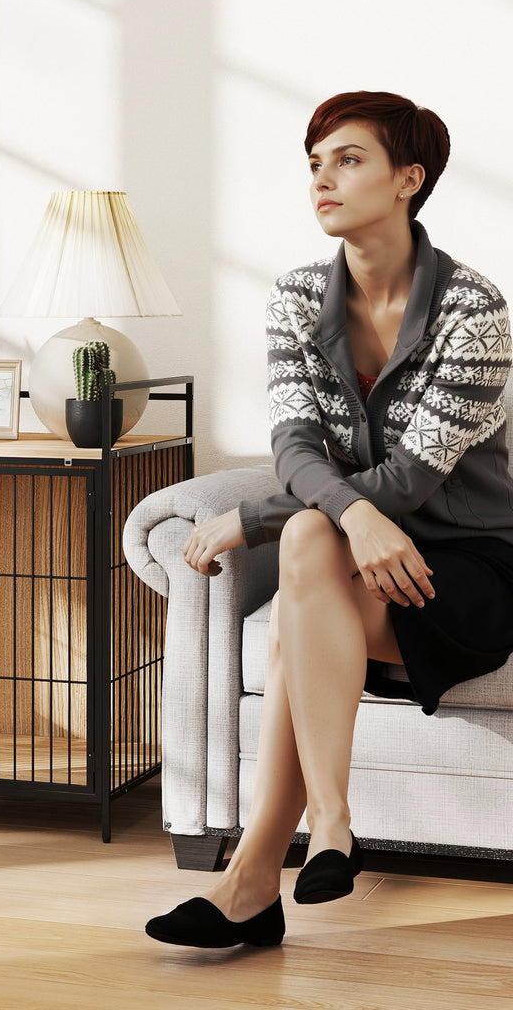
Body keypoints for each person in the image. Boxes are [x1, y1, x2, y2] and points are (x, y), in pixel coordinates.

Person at [146, 91, 513, 949]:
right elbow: (296, 452)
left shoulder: (476, 311)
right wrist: (349, 516)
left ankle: (256, 880)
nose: (323, 179)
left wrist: (258, 518)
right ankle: (332, 830)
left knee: (299, 580)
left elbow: (416, 478)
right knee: (312, 534)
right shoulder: (296, 298)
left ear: (408, 179)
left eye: (348, 159)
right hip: (353, 554)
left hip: (461, 570)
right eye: (315, 162)